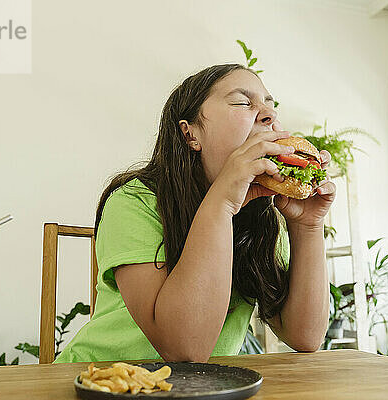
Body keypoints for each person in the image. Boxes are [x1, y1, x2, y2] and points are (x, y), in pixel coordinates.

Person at [54, 63, 335, 363]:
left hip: (203, 389)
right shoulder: (133, 202)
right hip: (97, 381)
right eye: (243, 102)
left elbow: (304, 336)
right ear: (190, 134)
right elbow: (184, 350)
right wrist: (223, 201)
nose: (270, 114)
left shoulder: (259, 215)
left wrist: (308, 227)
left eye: (270, 105)